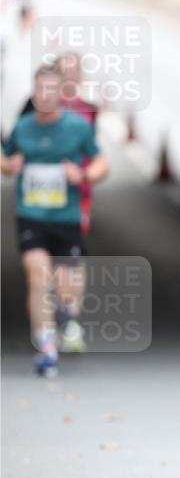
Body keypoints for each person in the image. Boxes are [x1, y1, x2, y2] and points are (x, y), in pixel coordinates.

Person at [1, 65, 109, 376]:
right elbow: (5, 158)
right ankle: (46, 346)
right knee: (37, 275)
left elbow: (102, 162)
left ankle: (64, 315)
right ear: (33, 91)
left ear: (61, 92)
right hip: (31, 216)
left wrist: (84, 174)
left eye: (51, 89)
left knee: (65, 288)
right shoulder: (23, 127)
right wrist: (9, 166)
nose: (45, 95)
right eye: (40, 89)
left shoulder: (77, 127)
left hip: (66, 218)